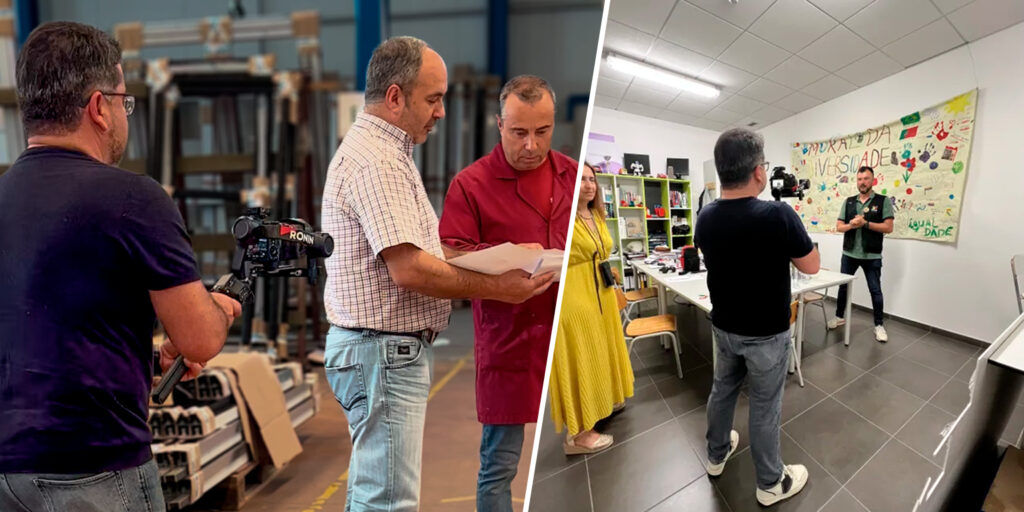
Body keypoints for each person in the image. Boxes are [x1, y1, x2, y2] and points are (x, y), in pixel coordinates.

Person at [0, 22, 241, 511]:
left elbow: (41, 331)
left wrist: (146, 362)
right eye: (123, 101)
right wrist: (219, 308)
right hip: (94, 469)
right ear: (98, 108)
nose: (123, 114)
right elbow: (199, 339)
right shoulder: (133, 199)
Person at [320, 37, 555, 512]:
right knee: (387, 501)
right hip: (382, 353)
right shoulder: (378, 162)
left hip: (379, 352)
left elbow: (421, 250)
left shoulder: (385, 153)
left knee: (372, 492)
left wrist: (493, 257)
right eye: (433, 99)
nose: (442, 112)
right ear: (394, 97)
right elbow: (409, 268)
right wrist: (499, 288)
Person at [438, 75, 577, 512]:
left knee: (579, 421)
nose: (532, 145)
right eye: (519, 133)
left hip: (563, 324)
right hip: (509, 336)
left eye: (542, 131)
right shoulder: (471, 184)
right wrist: (504, 266)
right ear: (500, 124)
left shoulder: (571, 175)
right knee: (499, 462)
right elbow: (448, 253)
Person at [695, 128, 820, 506]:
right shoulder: (778, 213)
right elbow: (811, 265)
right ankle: (770, 482)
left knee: (723, 390)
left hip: (724, 326)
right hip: (766, 333)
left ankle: (716, 455)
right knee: (765, 406)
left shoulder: (705, 216)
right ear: (759, 172)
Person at [547, 162, 634, 456]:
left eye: (591, 179)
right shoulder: (559, 217)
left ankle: (604, 399)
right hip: (574, 294)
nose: (587, 184)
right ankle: (579, 435)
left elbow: (600, 251)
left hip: (602, 292)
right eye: (580, 180)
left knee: (601, 348)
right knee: (580, 353)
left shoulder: (595, 215)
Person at [828, 165, 894, 342]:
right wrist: (853, 225)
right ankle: (839, 316)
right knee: (843, 287)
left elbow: (888, 227)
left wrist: (865, 224)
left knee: (875, 290)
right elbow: (839, 226)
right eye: (859, 179)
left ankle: (879, 325)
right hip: (849, 254)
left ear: (873, 180)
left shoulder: (883, 201)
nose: (862, 182)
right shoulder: (849, 201)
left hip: (871, 256)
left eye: (866, 179)